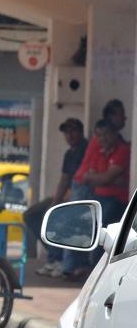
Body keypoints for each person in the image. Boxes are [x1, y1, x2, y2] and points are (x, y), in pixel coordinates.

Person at [63, 118, 131, 279]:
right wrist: (104, 178)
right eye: (99, 136)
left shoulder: (123, 150)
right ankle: (77, 266)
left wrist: (102, 178)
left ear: (115, 134)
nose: (103, 139)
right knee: (75, 219)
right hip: (98, 196)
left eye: (106, 134)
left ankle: (96, 272)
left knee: (100, 226)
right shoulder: (98, 152)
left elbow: (105, 178)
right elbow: (88, 177)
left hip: (117, 200)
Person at [24, 118, 87, 277]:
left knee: (59, 217)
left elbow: (82, 180)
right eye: (66, 132)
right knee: (31, 214)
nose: (69, 135)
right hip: (66, 195)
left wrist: (61, 202)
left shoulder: (85, 149)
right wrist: (55, 202)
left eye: (73, 131)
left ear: (80, 132)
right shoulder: (69, 153)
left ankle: (57, 258)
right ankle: (53, 256)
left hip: (81, 196)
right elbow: (64, 179)